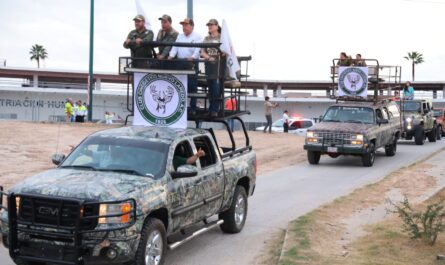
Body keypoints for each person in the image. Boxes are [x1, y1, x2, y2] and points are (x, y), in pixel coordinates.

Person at [168, 18, 202, 114]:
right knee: (178, 84)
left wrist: (193, 57)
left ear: (192, 26)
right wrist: (171, 56)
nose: (184, 27)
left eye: (186, 25)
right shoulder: (180, 36)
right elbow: (175, 47)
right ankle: (177, 105)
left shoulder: (198, 36)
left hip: (191, 63)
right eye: (183, 25)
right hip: (180, 62)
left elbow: (198, 50)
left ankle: (193, 107)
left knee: (192, 86)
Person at [201, 19, 224, 117]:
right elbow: (202, 51)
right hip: (209, 64)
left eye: (211, 25)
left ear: (217, 26)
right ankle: (211, 109)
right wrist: (209, 57)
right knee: (210, 86)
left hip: (219, 65)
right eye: (208, 25)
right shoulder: (206, 38)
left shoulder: (222, 37)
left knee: (216, 87)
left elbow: (227, 50)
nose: (209, 27)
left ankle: (215, 109)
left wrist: (220, 54)